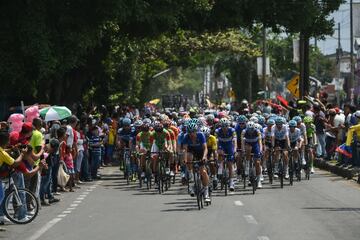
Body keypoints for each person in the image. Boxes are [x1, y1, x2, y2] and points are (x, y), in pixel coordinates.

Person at [0, 128, 27, 231]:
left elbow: (5, 151)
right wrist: (22, 154)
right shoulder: (2, 153)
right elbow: (15, 163)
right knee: (1, 196)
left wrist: (12, 149)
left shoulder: (2, 150)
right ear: (6, 141)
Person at [183, 122, 210, 202]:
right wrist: (185, 160)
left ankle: (206, 191)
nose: (191, 134)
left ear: (196, 131)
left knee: (203, 172)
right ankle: (191, 174)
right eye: (190, 132)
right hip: (192, 152)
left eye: (193, 132)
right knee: (189, 156)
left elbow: (205, 148)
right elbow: (185, 150)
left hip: (201, 152)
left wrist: (204, 157)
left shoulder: (201, 135)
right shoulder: (186, 137)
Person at [216, 118, 237, 191]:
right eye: (223, 126)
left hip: (229, 146)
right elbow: (216, 141)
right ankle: (220, 170)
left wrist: (235, 149)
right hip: (221, 145)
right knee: (220, 155)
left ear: (228, 126)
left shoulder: (232, 130)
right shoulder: (217, 131)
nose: (224, 128)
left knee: (230, 164)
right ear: (220, 126)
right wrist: (217, 150)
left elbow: (234, 140)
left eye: (226, 126)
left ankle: (231, 182)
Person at [241, 121, 263, 188]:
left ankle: (259, 181)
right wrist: (243, 150)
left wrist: (260, 150)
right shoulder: (244, 131)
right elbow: (242, 142)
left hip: (255, 145)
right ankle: (247, 164)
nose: (250, 131)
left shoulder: (257, 131)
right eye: (249, 130)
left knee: (257, 163)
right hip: (248, 144)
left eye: (252, 129)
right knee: (248, 148)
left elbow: (260, 141)